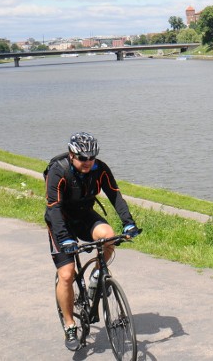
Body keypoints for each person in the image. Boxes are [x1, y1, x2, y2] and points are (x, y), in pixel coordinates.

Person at [44, 132, 139, 351]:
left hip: (85, 215)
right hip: (61, 223)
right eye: (82, 158)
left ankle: (97, 276)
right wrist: (65, 238)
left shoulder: (100, 169)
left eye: (91, 158)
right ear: (71, 154)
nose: (88, 162)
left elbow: (114, 194)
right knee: (66, 274)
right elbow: (54, 209)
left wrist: (129, 223)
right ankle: (69, 325)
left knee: (109, 236)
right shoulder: (58, 171)